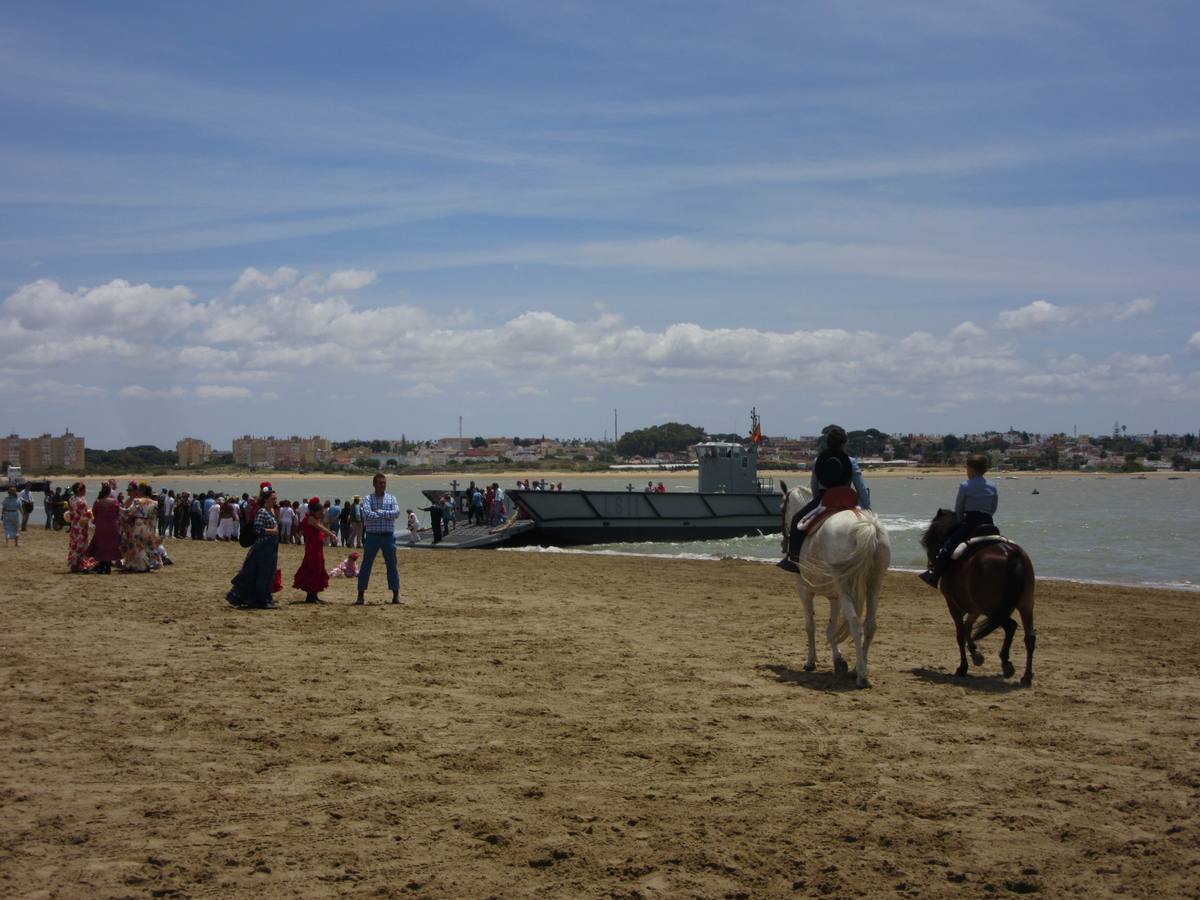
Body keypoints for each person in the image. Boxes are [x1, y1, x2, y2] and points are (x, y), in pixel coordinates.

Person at [779, 425, 871, 571]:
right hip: (848, 500)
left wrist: (818, 501)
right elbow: (861, 489)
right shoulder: (851, 461)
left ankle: (794, 559)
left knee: (797, 520)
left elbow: (814, 487)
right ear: (844, 443)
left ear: (827, 443)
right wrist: (867, 509)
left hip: (825, 499)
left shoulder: (819, 461)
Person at [919, 453, 999, 588]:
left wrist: (961, 521)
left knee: (947, 547)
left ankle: (934, 575)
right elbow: (993, 507)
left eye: (967, 468)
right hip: (989, 523)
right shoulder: (992, 486)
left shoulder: (965, 485)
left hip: (970, 523)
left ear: (972, 469)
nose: (966, 471)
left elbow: (959, 508)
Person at [227, 485, 281, 610]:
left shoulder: (271, 512)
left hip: (271, 548)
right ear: (266, 499)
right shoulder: (262, 511)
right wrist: (272, 531)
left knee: (269, 573)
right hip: (263, 548)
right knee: (262, 573)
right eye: (273, 498)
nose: (275, 500)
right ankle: (261, 600)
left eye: (276, 498)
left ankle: (266, 598)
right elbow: (257, 529)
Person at [358, 473, 401, 605]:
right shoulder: (368, 499)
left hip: (388, 536)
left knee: (392, 565)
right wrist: (386, 515)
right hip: (372, 536)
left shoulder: (392, 498)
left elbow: (397, 513)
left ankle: (396, 596)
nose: (383, 485)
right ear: (374, 484)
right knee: (366, 565)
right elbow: (368, 515)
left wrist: (380, 512)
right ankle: (360, 595)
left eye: (384, 483)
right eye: (380, 483)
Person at [294, 497, 339, 604]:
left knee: (318, 569)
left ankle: (314, 595)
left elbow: (320, 530)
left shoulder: (315, 518)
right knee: (314, 569)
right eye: (320, 511)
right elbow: (320, 528)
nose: (322, 513)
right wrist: (332, 534)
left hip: (317, 548)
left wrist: (330, 533)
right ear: (314, 511)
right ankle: (311, 596)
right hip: (312, 549)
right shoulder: (311, 518)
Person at [123, 482, 161, 572]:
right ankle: (149, 564)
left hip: (139, 525)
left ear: (142, 491)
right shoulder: (155, 503)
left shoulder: (137, 501)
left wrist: (119, 509)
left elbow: (129, 512)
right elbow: (155, 517)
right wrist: (153, 529)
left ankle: (141, 566)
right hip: (148, 525)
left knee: (138, 546)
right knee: (146, 546)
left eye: (139, 490)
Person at [87, 483, 123, 574]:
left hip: (101, 525)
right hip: (112, 525)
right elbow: (118, 513)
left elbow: (94, 514)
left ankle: (103, 565)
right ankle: (106, 565)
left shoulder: (98, 502)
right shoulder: (114, 501)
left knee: (101, 544)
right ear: (109, 492)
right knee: (110, 545)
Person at [66, 481, 95, 572]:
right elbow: (85, 514)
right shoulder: (82, 501)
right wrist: (90, 514)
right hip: (81, 525)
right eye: (84, 490)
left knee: (74, 543)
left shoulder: (71, 499)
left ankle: (74, 564)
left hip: (74, 524)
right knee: (81, 544)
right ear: (80, 491)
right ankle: (80, 565)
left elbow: (71, 512)